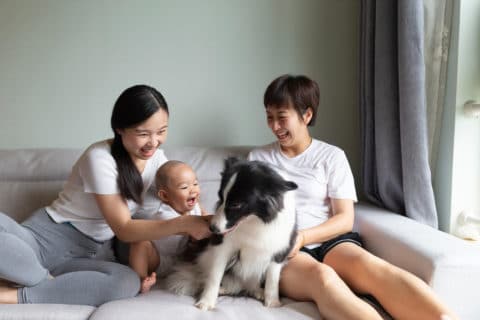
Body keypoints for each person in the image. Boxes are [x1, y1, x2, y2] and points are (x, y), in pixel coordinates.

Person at [248, 74, 458, 320]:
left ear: (307, 115)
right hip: (283, 251)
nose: (274, 126)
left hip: (328, 241)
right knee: (323, 278)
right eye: (269, 117)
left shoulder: (331, 156)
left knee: (373, 269)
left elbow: (345, 219)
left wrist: (303, 237)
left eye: (281, 117)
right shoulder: (257, 159)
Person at [0, 85, 211, 306]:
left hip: (91, 255)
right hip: (43, 241)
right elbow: (124, 228)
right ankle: (37, 279)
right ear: (120, 128)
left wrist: (207, 220)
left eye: (161, 131)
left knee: (126, 282)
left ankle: (18, 289)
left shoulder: (158, 160)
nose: (153, 142)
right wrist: (185, 223)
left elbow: (181, 196)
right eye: (143, 133)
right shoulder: (100, 158)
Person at [129, 160, 209, 293]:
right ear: (165, 196)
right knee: (140, 243)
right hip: (160, 260)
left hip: (185, 259)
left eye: (195, 184)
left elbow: (207, 218)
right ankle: (141, 279)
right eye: (184, 187)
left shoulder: (196, 207)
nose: (193, 190)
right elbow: (189, 226)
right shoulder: (164, 214)